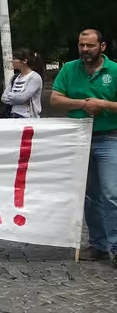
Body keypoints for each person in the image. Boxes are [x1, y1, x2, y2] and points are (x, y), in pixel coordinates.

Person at [49, 29, 117, 266]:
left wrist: (104, 105)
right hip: (79, 139)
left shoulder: (115, 71)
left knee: (111, 193)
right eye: (81, 45)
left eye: (90, 45)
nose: (85, 50)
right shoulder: (69, 69)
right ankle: (98, 245)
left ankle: (115, 246)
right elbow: (55, 99)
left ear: (102, 47)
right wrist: (84, 103)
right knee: (89, 196)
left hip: (109, 138)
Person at [0, 48, 43, 119]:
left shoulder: (34, 78)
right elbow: (3, 98)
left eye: (15, 59)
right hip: (12, 114)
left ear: (25, 61)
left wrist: (11, 95)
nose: (12, 61)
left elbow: (23, 98)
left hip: (27, 117)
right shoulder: (15, 77)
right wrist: (16, 97)